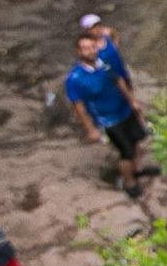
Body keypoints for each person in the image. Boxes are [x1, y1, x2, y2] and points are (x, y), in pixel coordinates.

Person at [64, 32, 153, 197]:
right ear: (78, 51)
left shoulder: (103, 64)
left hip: (123, 109)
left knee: (136, 140)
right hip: (108, 119)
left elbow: (118, 81)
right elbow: (78, 106)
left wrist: (132, 100)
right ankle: (129, 182)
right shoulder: (75, 78)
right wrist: (90, 129)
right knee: (125, 151)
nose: (91, 51)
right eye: (86, 49)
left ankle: (137, 170)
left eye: (92, 47)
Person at [79, 15, 132, 88]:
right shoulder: (91, 48)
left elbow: (113, 33)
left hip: (121, 72)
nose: (97, 28)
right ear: (86, 31)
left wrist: (115, 45)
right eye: (93, 27)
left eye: (98, 25)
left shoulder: (105, 35)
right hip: (110, 81)